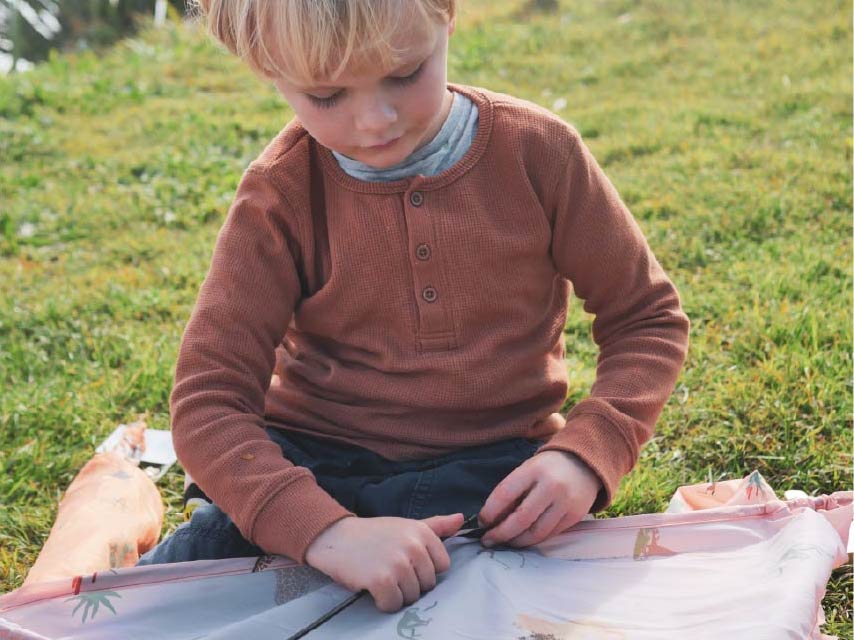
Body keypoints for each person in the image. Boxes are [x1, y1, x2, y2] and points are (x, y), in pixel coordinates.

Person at [137, 0, 690, 614]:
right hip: (310, 468)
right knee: (144, 618)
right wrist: (325, 533)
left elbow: (647, 319)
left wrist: (587, 455)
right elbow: (209, 399)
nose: (376, 120)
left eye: (404, 74)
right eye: (327, 96)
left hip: (489, 479)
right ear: (270, 68)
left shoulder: (540, 153)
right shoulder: (280, 194)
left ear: (446, 14)